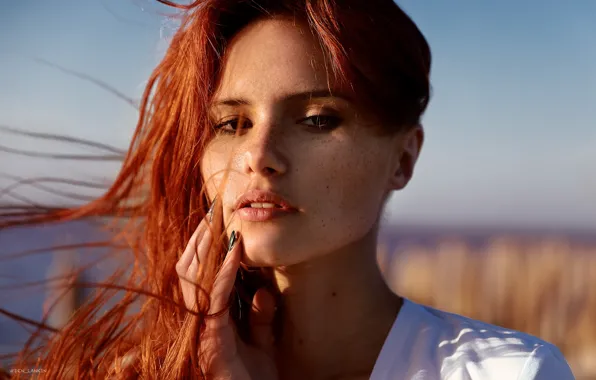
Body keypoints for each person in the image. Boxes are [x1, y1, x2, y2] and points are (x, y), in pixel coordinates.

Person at [1, 0, 575, 379]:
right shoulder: (139, 373)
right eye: (232, 124)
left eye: (318, 119)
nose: (257, 156)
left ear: (404, 157)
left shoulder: (508, 372)